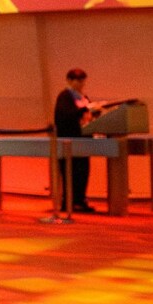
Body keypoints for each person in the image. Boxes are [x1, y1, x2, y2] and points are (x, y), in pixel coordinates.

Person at [53, 68, 105, 213]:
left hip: (83, 140)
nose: (81, 83)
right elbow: (64, 116)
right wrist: (84, 110)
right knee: (71, 172)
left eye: (82, 80)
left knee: (82, 171)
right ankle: (69, 201)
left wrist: (95, 110)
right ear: (69, 81)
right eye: (77, 80)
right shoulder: (65, 96)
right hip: (69, 141)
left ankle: (80, 199)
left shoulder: (83, 97)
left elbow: (87, 114)